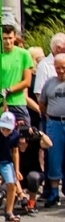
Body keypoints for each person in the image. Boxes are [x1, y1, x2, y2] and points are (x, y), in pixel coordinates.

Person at [0, 112, 28, 222]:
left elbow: (15, 152)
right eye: (3, 129)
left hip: (6, 161)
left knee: (12, 184)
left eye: (8, 129)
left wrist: (17, 169)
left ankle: (9, 211)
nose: (5, 132)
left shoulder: (15, 135)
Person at [40, 34, 65, 208]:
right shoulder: (49, 83)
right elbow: (42, 103)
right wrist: (49, 115)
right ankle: (54, 193)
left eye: (63, 67)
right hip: (54, 124)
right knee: (54, 157)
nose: (61, 71)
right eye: (58, 68)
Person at [0, 24, 33, 123]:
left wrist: (7, 90)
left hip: (18, 102)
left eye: (10, 38)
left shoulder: (24, 54)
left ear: (15, 37)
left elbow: (27, 82)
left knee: (24, 135)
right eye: (5, 38)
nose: (8, 42)